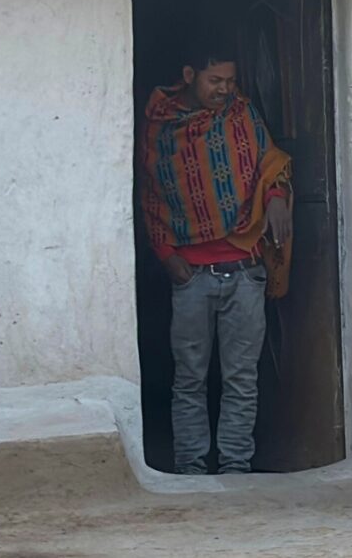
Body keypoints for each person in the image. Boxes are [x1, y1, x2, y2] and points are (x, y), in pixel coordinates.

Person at [139, 33, 293, 474]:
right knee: (189, 378)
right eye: (215, 80)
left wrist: (276, 196)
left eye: (230, 80)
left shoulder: (242, 114)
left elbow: (271, 163)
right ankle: (190, 467)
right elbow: (148, 194)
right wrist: (167, 256)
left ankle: (235, 467)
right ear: (190, 75)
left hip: (245, 271)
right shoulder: (160, 127)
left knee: (242, 378)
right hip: (192, 278)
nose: (225, 89)